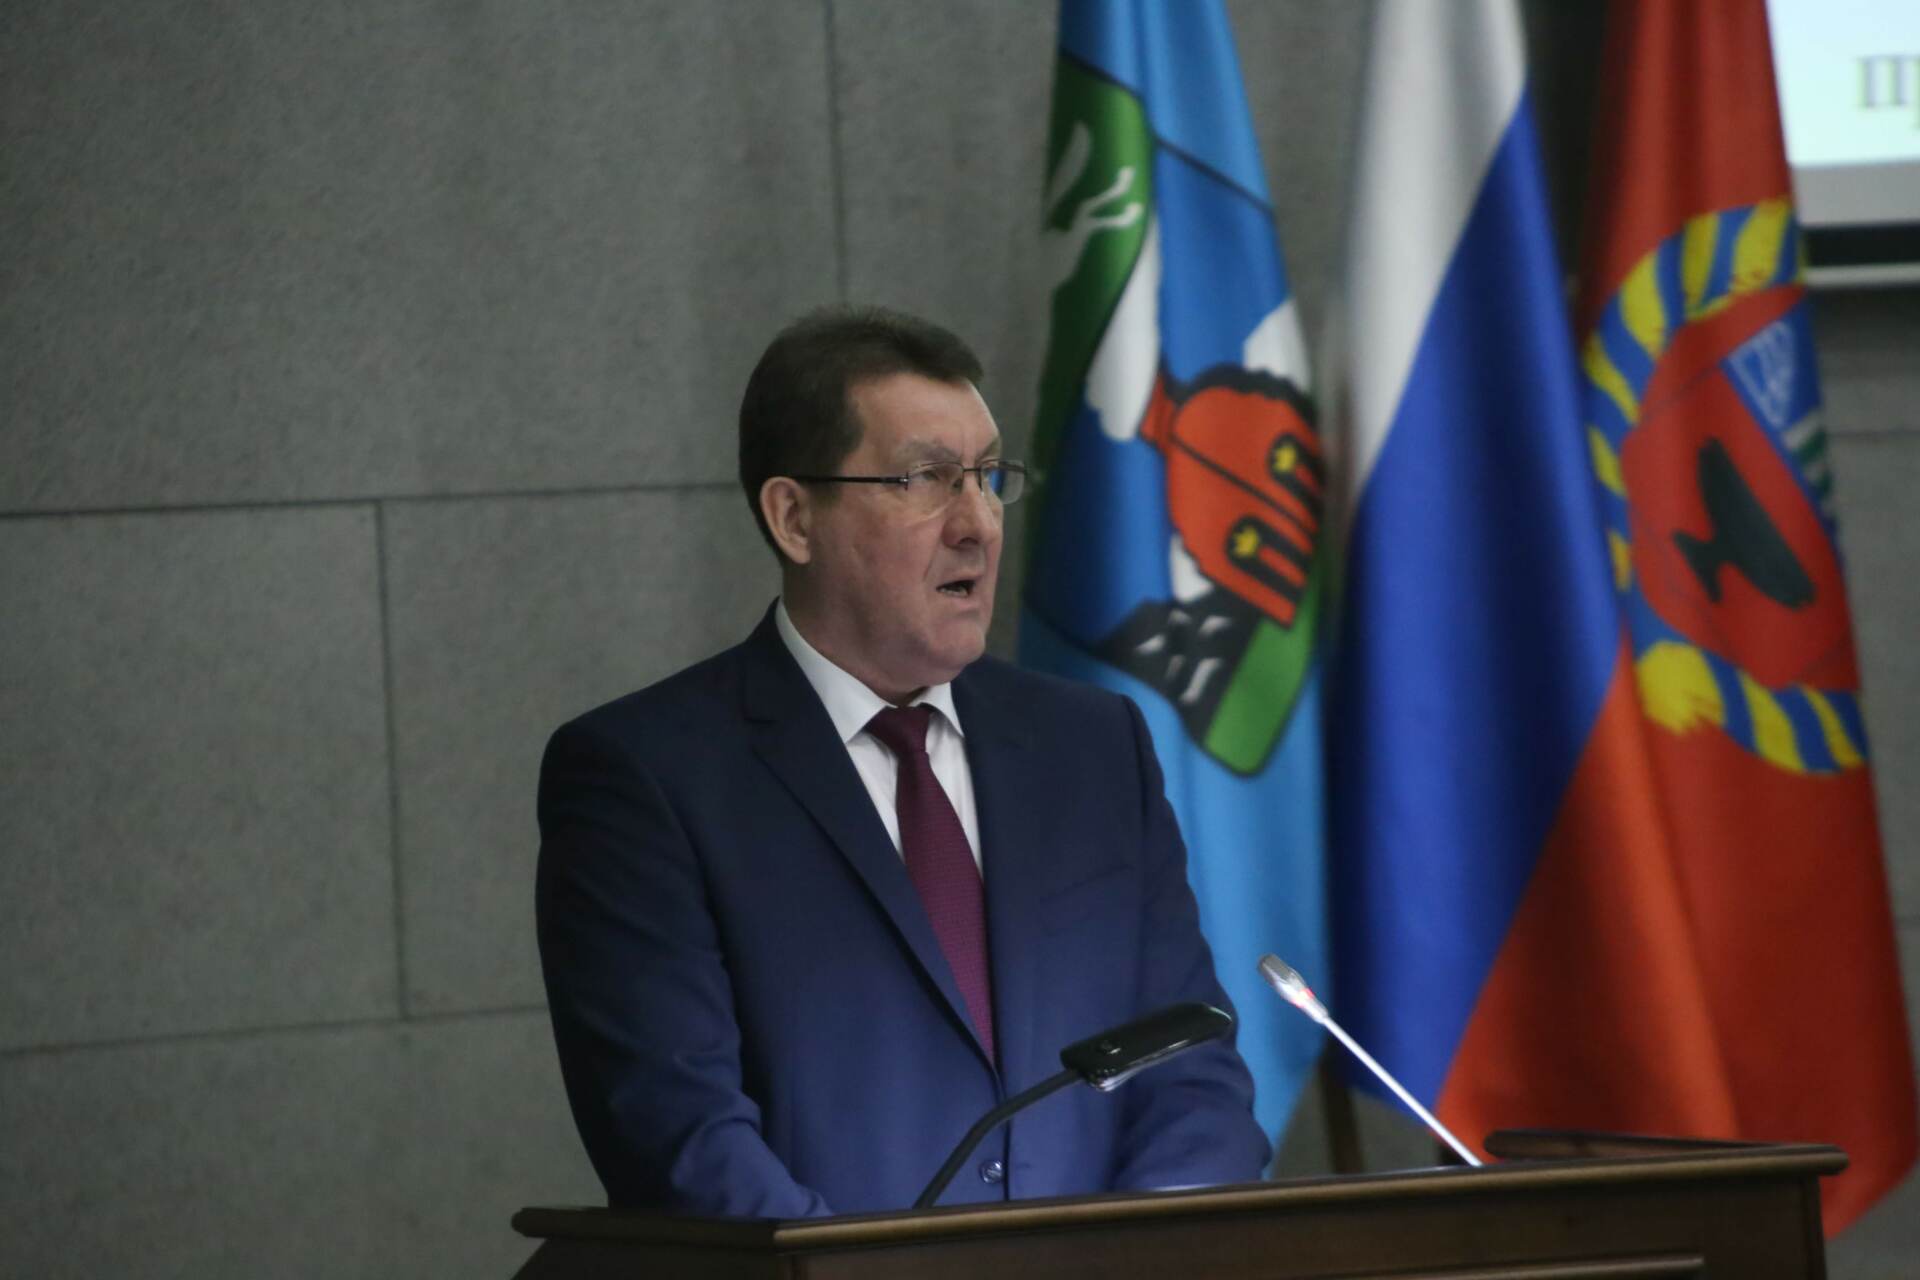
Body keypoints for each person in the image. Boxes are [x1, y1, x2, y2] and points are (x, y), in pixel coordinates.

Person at [535, 305, 1268, 1219]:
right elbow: (680, 1137)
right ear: (794, 517)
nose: (979, 524)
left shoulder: (1093, 746)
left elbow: (1190, 1069)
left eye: (989, 477)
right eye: (925, 479)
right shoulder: (643, 776)